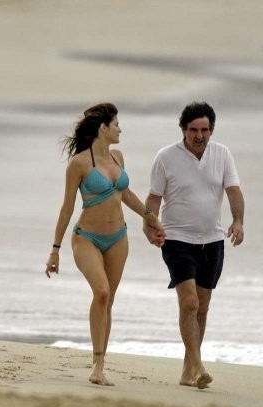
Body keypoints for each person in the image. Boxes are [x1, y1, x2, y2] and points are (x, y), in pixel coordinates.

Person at [45, 102, 165, 386]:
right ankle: (95, 365)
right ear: (103, 128)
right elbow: (67, 208)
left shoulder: (117, 157)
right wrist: (55, 250)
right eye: (116, 125)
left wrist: (151, 218)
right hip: (86, 238)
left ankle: (99, 366)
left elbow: (125, 193)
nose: (120, 129)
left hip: (118, 238)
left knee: (108, 300)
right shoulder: (79, 163)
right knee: (101, 292)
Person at [143, 101, 245, 389]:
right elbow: (153, 198)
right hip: (176, 238)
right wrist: (148, 225)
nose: (199, 136)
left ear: (211, 130)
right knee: (189, 302)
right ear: (183, 130)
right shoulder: (166, 157)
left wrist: (238, 221)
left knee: (202, 307)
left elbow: (233, 191)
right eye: (193, 130)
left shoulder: (222, 154)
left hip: (212, 241)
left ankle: (188, 371)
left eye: (204, 130)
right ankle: (199, 367)